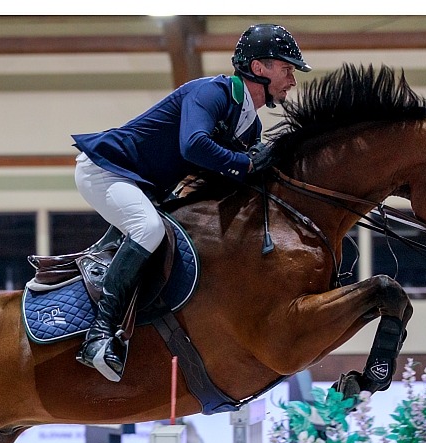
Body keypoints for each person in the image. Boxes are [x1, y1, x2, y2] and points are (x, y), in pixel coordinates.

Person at [39, 23, 310, 383]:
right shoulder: (211, 92)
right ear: (259, 68)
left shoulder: (250, 128)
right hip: (106, 170)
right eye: (287, 69)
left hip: (142, 185)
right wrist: (245, 163)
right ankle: (98, 334)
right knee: (147, 229)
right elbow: (194, 145)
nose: (292, 79)